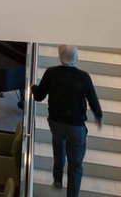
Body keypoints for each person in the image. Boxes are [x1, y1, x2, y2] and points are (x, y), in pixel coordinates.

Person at [31, 44, 103, 197]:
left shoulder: (51, 73)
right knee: (75, 165)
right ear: (76, 58)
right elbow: (92, 100)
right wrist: (98, 115)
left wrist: (33, 88)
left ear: (59, 56)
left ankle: (57, 178)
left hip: (56, 123)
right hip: (76, 127)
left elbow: (39, 96)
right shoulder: (83, 77)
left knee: (58, 146)